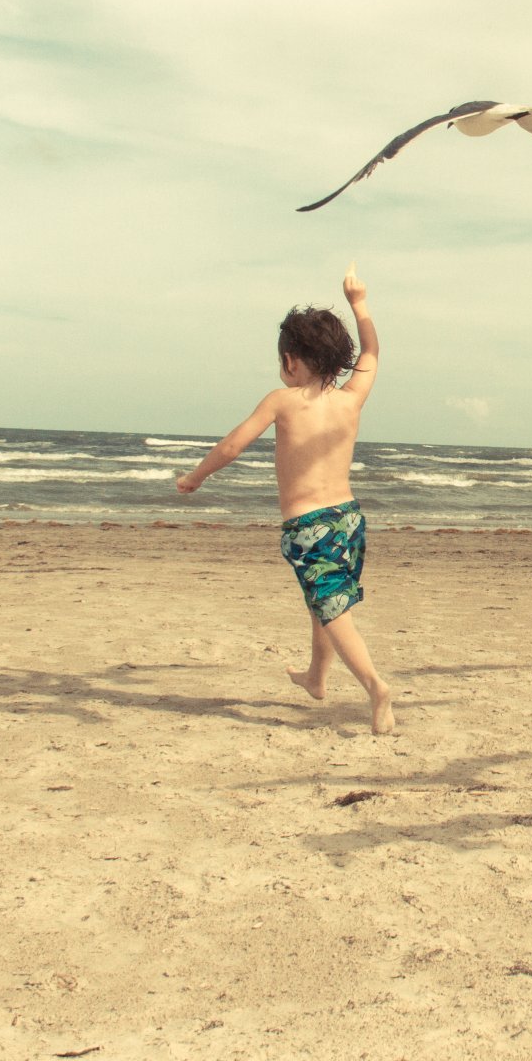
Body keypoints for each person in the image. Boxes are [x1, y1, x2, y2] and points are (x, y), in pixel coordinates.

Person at [176, 264, 393, 734]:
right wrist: (359, 303)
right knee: (325, 603)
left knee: (332, 609)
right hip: (349, 520)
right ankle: (317, 677)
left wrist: (196, 476)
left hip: (307, 526)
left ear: (291, 360)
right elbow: (373, 350)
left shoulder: (281, 400)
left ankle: (376, 687)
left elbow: (233, 445)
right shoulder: (351, 397)